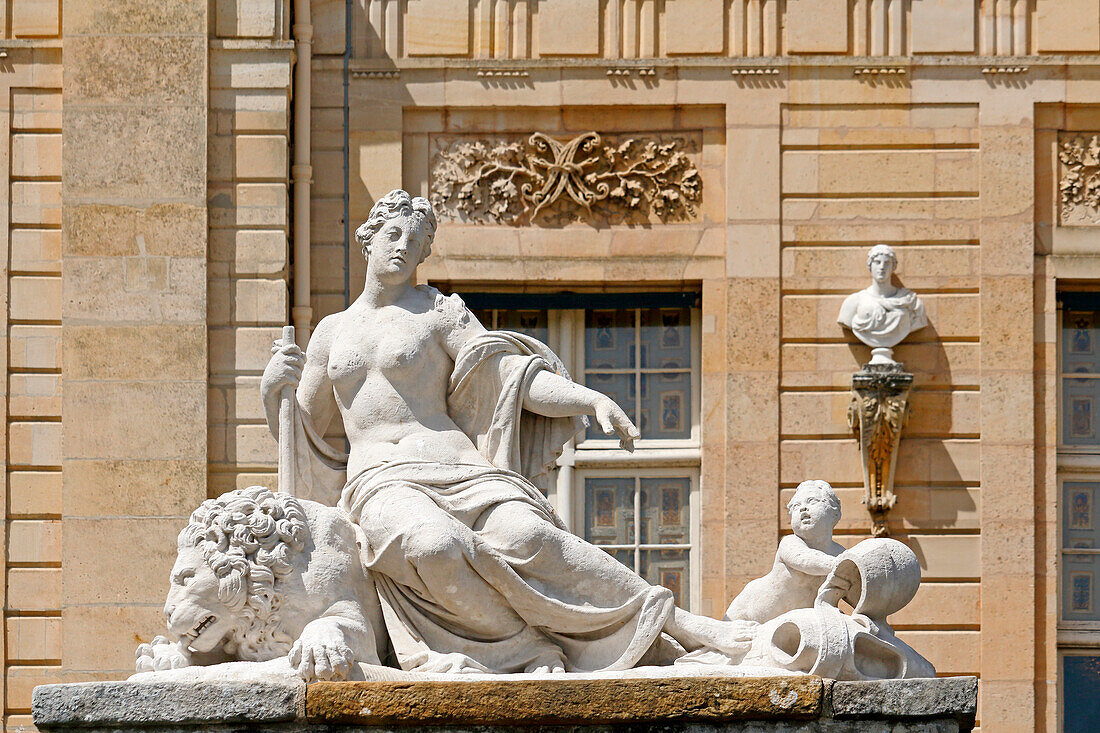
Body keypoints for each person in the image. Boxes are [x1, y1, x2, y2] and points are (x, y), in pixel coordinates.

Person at [261, 189, 752, 675]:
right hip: (381, 480)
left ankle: (682, 624)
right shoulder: (331, 332)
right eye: (393, 236)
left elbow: (512, 376)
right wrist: (272, 393)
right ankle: (527, 649)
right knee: (434, 545)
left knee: (532, 535)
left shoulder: (439, 312)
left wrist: (591, 398)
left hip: (458, 466)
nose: (401, 249)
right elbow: (303, 432)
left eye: (414, 245)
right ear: (368, 239)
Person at [724, 480, 844, 625]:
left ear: (834, 512)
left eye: (812, 501)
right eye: (796, 506)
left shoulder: (840, 554)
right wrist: (849, 565)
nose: (803, 509)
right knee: (718, 640)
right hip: (750, 610)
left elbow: (859, 592)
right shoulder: (790, 543)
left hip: (793, 625)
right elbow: (807, 561)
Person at [837, 244, 927, 364]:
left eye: (887, 263)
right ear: (870, 265)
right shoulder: (853, 302)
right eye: (877, 262)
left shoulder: (911, 304)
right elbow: (845, 321)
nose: (882, 267)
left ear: (893, 267)